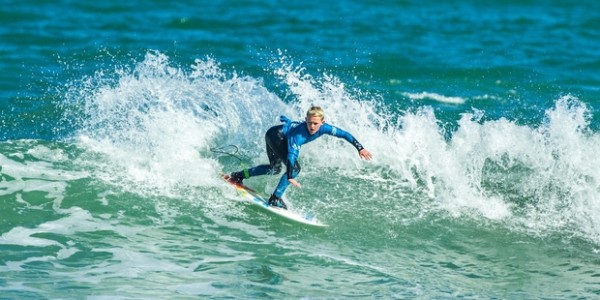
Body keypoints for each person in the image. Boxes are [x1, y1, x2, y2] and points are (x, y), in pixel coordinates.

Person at [228, 106, 373, 209]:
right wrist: (291, 175)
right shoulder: (299, 134)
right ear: (305, 120)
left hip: (276, 135)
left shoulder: (325, 128)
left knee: (274, 168)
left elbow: (344, 134)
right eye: (309, 123)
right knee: (295, 168)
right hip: (276, 137)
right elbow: (291, 155)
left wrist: (360, 148)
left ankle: (238, 175)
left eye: (315, 123)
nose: (312, 126)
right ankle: (275, 198)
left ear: (323, 122)